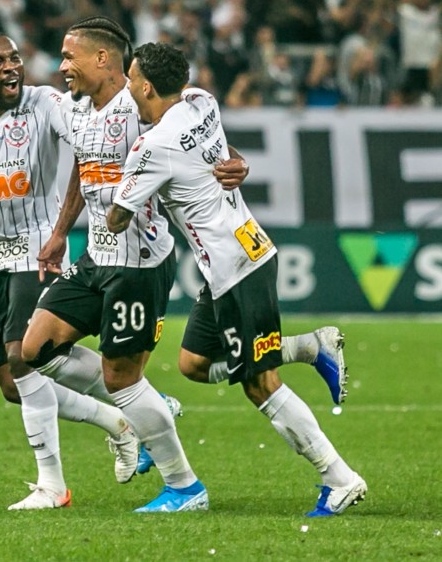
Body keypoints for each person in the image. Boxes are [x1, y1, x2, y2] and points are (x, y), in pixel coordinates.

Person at [107, 42, 366, 517]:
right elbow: (224, 152)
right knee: (193, 364)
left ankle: (340, 478)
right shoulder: (201, 101)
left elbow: (117, 218)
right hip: (236, 254)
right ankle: (310, 347)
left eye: (130, 81)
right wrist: (236, 162)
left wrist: (110, 184)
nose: (127, 90)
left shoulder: (153, 146)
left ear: (145, 86)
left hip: (236, 268)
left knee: (259, 382)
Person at [0, 33, 138, 511]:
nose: (11, 67)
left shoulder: (47, 103)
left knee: (22, 356)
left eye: (15, 58)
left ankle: (53, 487)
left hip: (37, 247)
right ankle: (122, 418)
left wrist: (62, 230)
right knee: (11, 383)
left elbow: (89, 150)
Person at [21, 16, 212, 513]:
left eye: (70, 56)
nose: (63, 66)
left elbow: (193, 119)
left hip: (139, 263)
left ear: (102, 58)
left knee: (121, 377)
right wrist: (62, 231)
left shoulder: (138, 105)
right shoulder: (78, 111)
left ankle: (185, 487)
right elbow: (84, 173)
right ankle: (153, 405)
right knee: (35, 347)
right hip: (95, 257)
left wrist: (231, 157)